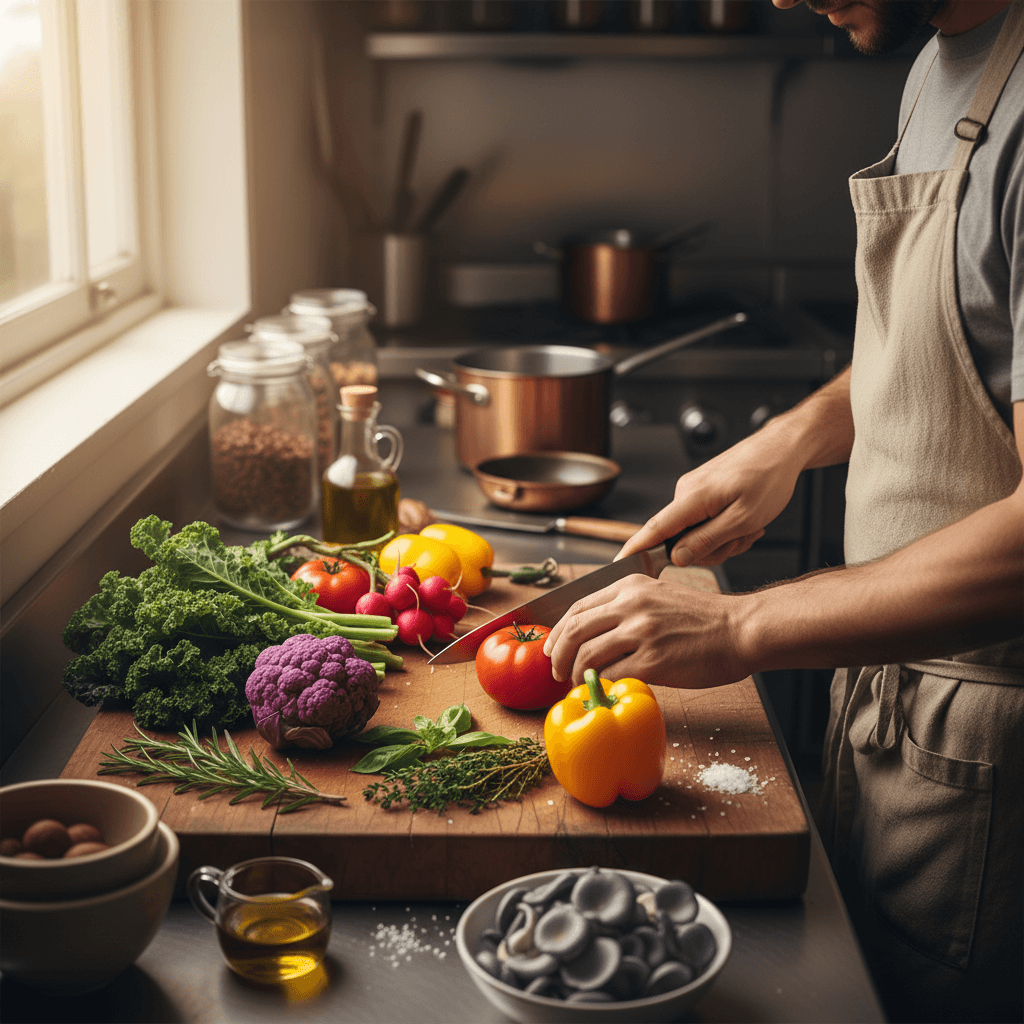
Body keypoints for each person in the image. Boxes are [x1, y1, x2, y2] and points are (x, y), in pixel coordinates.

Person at [544, 2, 1024, 1021]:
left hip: (990, 760)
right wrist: (795, 438)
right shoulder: (938, 62)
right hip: (888, 717)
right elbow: (957, 347)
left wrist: (739, 625)